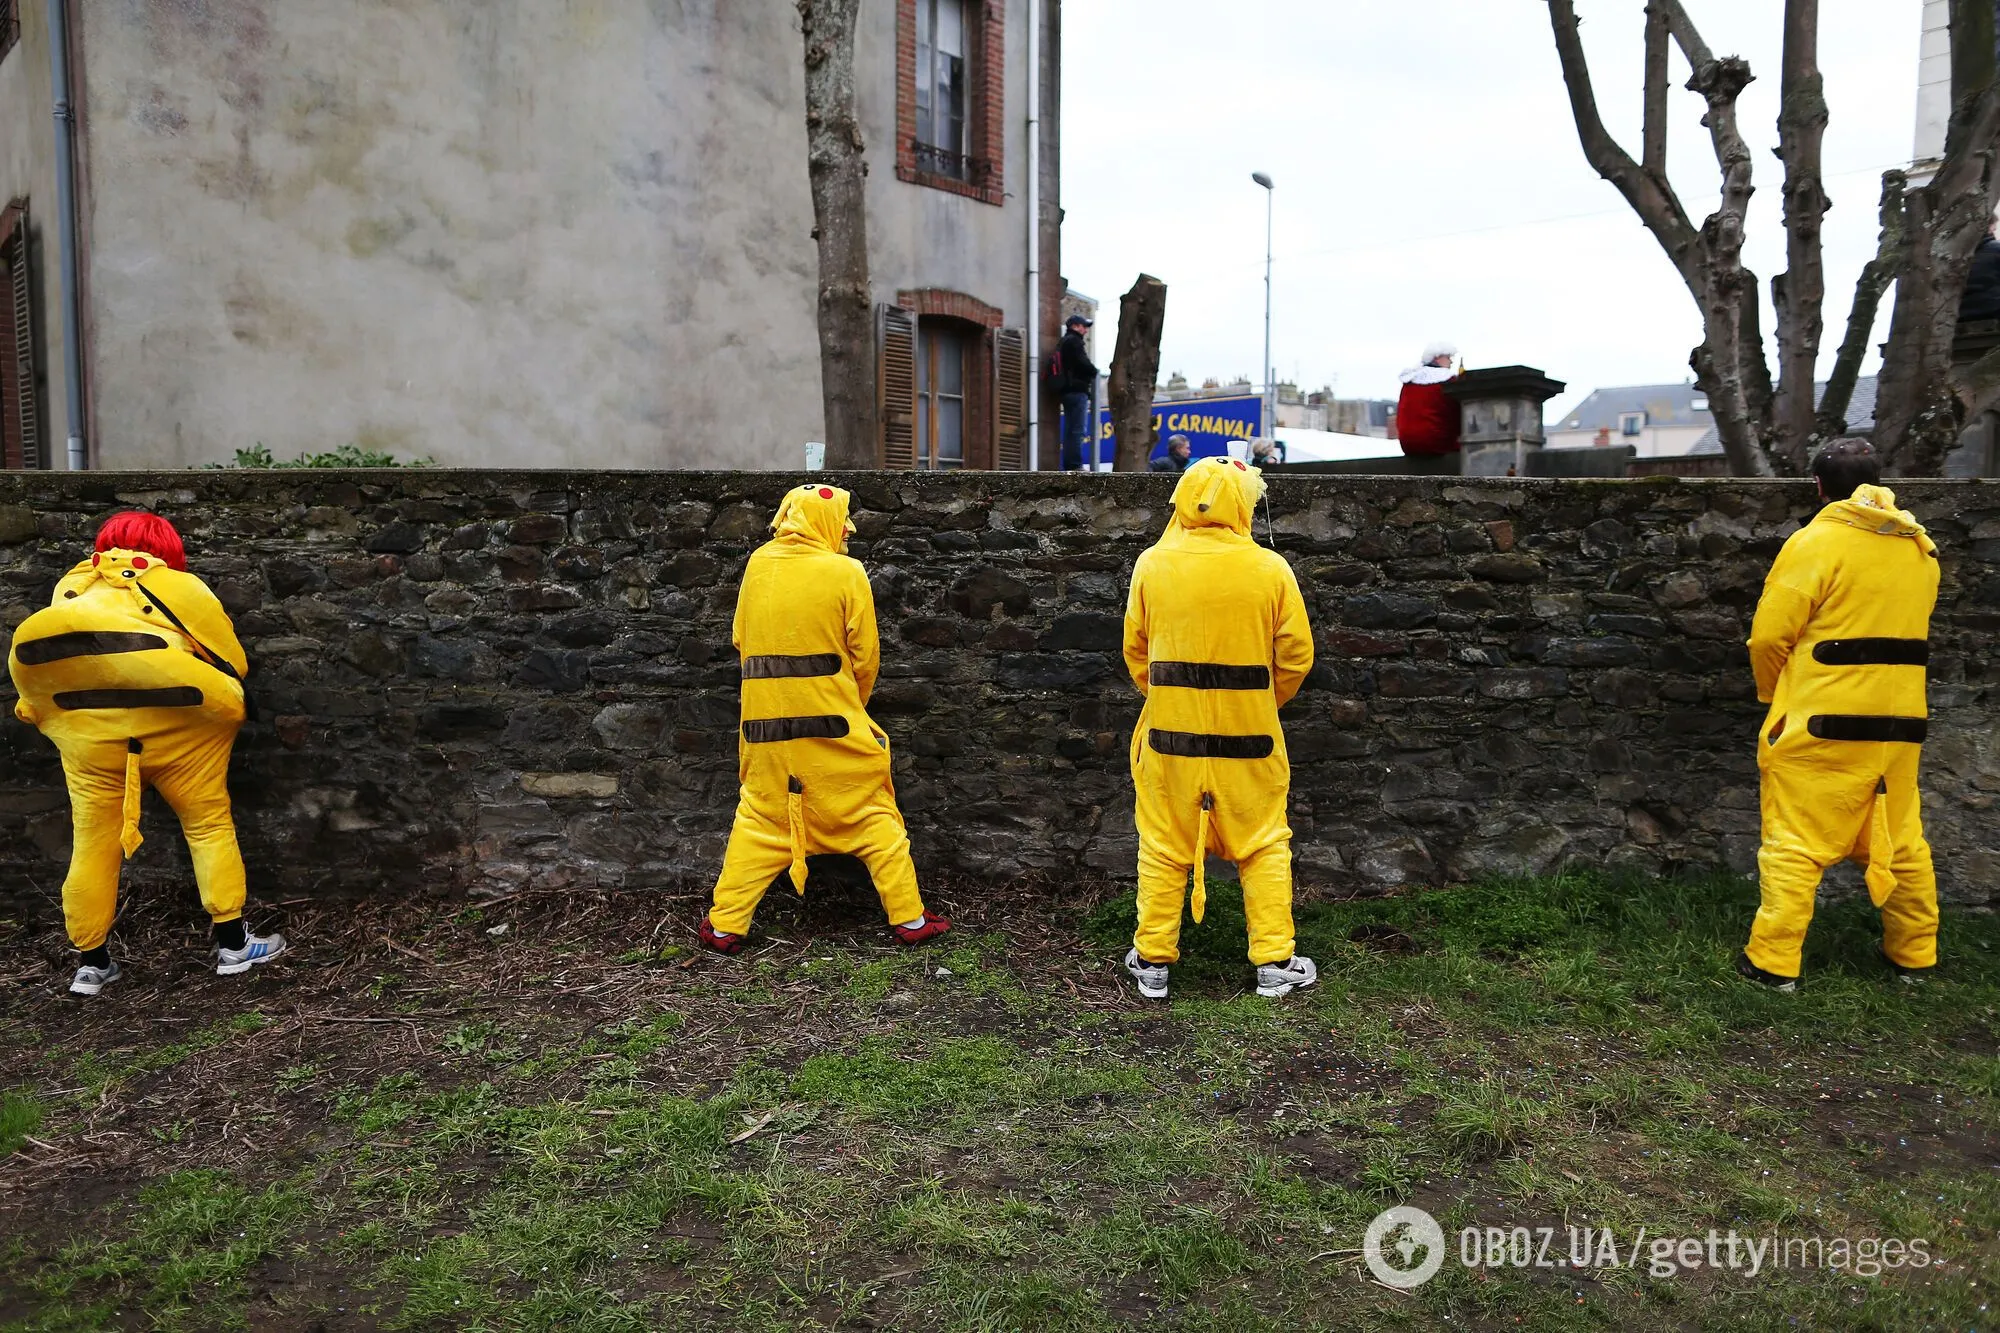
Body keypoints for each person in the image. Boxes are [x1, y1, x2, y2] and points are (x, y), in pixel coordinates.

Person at [8, 513, 284, 995]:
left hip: (91, 738)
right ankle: (234, 946)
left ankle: (91, 965)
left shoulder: (71, 587)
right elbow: (232, 660)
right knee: (207, 824)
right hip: (181, 728)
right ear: (166, 547)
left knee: (93, 840)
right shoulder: (179, 585)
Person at [700, 483, 950, 953]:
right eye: (845, 523)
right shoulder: (846, 572)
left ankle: (724, 925)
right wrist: (852, 706)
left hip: (764, 736)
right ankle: (911, 920)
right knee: (875, 822)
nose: (849, 531)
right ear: (826, 524)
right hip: (836, 730)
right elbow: (866, 655)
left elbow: (740, 640)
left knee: (760, 823)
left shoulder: (757, 565)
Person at [1739, 440, 1941, 992]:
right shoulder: (1920, 549)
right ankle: (1915, 955)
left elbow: (1768, 637)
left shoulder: (1814, 543)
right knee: (1900, 839)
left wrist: (1773, 697)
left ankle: (1773, 963)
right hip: (1900, 726)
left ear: (1818, 486)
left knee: (1795, 843)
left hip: (1820, 722)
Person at [1121, 456, 1317, 1000]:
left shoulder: (1151, 565)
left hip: (1168, 740)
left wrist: (1167, 701)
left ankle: (1154, 961)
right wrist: (1259, 705)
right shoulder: (1270, 568)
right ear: (1242, 503)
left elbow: (1136, 651)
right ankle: (1275, 963)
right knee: (1263, 844)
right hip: (1252, 741)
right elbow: (1296, 657)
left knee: (1163, 844)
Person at [1396, 342, 1461, 457]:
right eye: (1448, 357)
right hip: (1436, 443)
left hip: (1408, 444)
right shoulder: (1447, 381)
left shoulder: (1410, 381)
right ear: (1437, 358)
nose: (1451, 361)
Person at [1057, 314, 1099, 471]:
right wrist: (1093, 371)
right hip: (1076, 390)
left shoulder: (1064, 342)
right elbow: (1084, 364)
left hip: (1067, 390)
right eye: (1083, 326)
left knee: (1070, 430)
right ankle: (1074, 465)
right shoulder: (1074, 342)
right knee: (1077, 430)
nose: (1086, 330)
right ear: (1075, 326)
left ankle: (1071, 463)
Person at [1961, 218, 2000, 323]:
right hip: (1993, 312)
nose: (1995, 228)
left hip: (1960, 317)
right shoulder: (1996, 248)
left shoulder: (1953, 256)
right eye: (1993, 225)